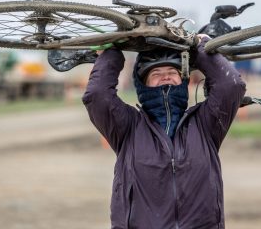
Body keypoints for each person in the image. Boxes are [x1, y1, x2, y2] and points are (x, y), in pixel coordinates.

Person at [82, 35, 246, 229]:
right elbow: (97, 95)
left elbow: (231, 86)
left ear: (183, 80)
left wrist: (199, 49)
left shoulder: (206, 124)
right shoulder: (127, 127)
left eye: (172, 71)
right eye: (156, 73)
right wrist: (112, 52)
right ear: (143, 84)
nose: (166, 76)